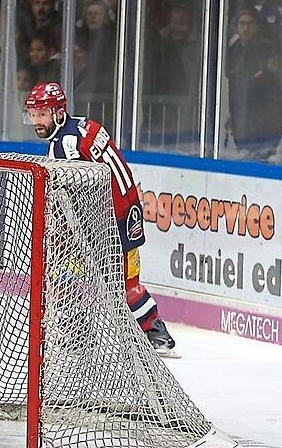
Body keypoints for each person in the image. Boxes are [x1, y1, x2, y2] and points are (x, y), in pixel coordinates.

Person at [23, 82, 176, 355]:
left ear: (59, 112)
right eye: (34, 114)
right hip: (128, 212)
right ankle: (156, 334)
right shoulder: (85, 125)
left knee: (66, 275)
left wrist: (62, 230)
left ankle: (78, 335)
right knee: (125, 281)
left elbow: (74, 193)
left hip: (104, 222)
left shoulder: (64, 145)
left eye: (43, 114)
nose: (37, 121)